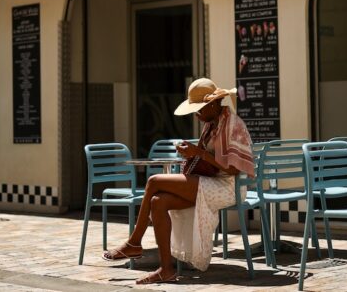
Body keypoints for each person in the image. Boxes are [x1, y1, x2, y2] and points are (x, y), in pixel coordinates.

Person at [102, 78, 254, 284]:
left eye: (199, 109)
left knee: (154, 181)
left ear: (211, 104)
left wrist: (198, 153)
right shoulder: (212, 124)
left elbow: (233, 169)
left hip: (227, 188)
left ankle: (134, 242)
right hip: (210, 183)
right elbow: (209, 161)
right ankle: (166, 269)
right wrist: (192, 154)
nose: (196, 114)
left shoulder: (232, 124)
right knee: (158, 201)